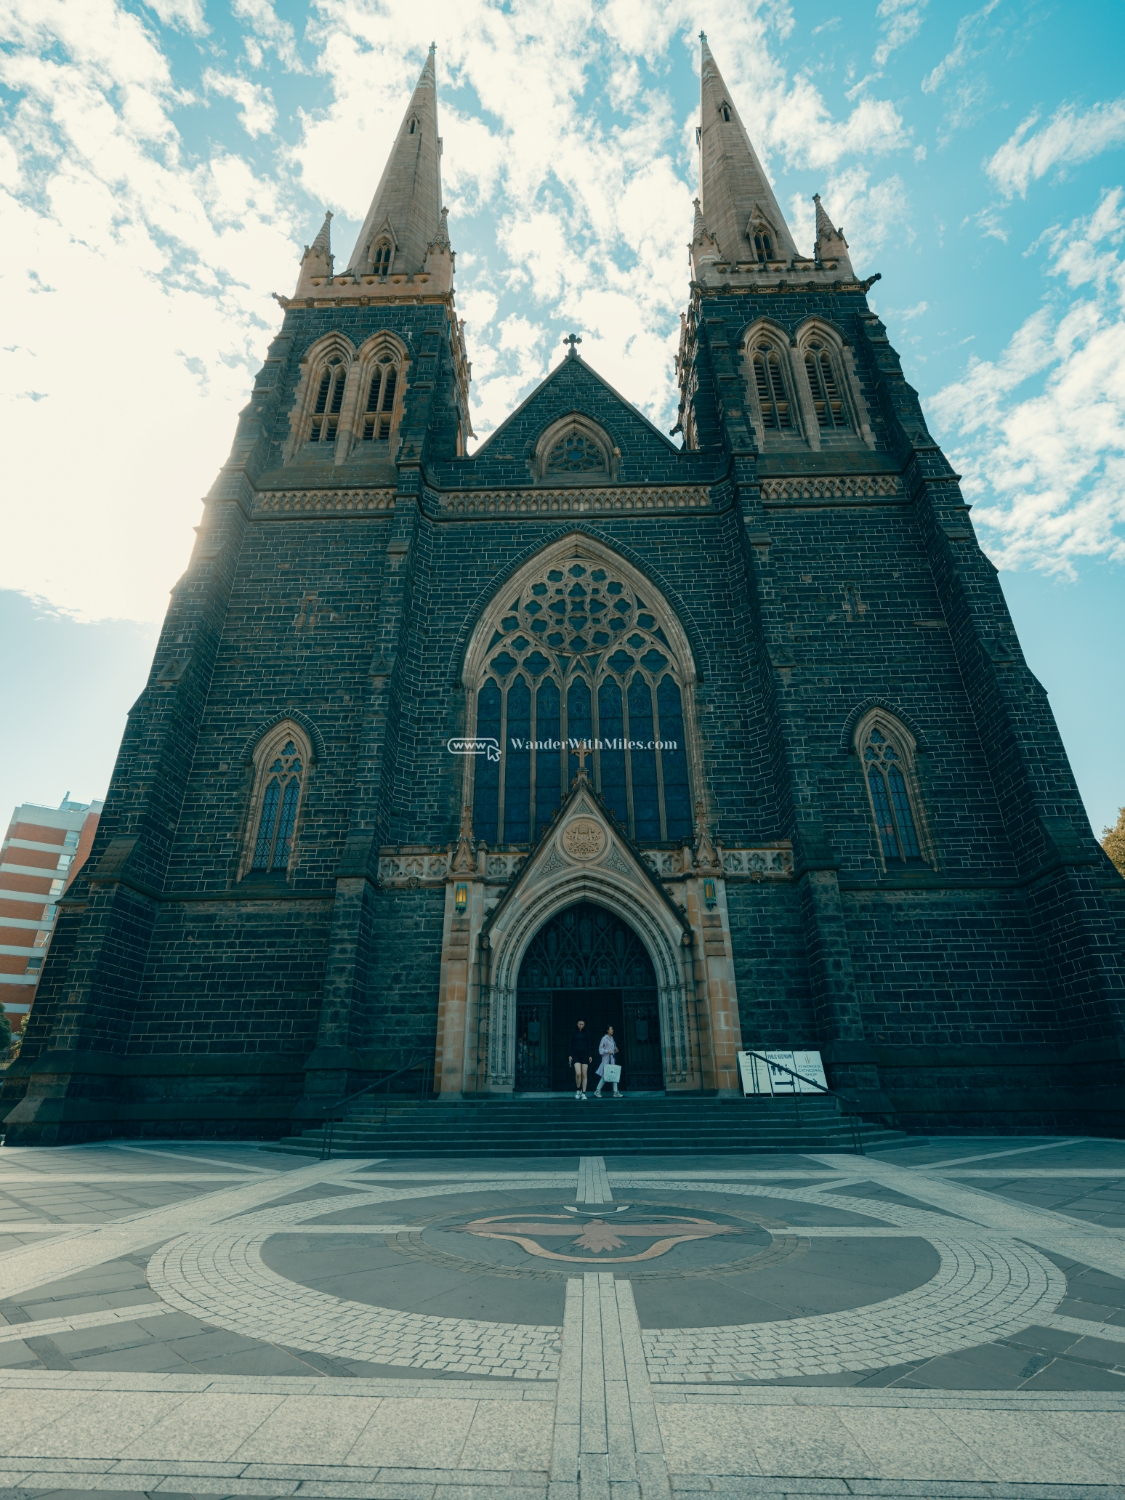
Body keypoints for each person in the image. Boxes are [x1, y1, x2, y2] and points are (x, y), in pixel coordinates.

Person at [594, 1025, 623, 1097]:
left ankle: (615, 1092)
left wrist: (615, 1049)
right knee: (605, 1075)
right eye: (611, 1029)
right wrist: (607, 1051)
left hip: (612, 1060)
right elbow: (600, 1050)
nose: (612, 1030)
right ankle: (597, 1090)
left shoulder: (612, 1038)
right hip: (606, 1060)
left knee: (614, 1075)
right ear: (607, 1030)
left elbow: (612, 1048)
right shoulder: (604, 1039)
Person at [568, 1020, 593, 1099]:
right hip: (575, 1054)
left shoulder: (587, 1032)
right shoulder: (573, 1032)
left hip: (585, 1054)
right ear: (577, 1024)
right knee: (578, 1073)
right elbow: (570, 1043)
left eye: (582, 1024)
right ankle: (578, 1090)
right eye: (580, 1024)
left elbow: (589, 1043)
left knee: (584, 1074)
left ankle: (584, 1093)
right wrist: (569, 1055)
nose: (581, 1026)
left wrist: (590, 1055)